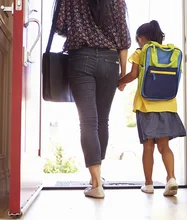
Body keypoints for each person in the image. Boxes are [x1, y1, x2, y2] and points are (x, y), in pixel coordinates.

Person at [54, 0, 131, 198]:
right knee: (102, 120)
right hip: (110, 61)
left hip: (81, 58)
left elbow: (59, 26)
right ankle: (97, 178)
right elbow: (123, 40)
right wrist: (123, 75)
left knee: (88, 122)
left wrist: (79, 27)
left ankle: (96, 183)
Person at [118, 20, 186, 196]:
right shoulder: (170, 52)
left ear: (141, 38)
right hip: (168, 104)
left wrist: (119, 83)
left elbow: (133, 75)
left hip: (146, 105)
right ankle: (171, 178)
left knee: (148, 147)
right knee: (164, 146)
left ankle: (148, 184)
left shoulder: (140, 52)